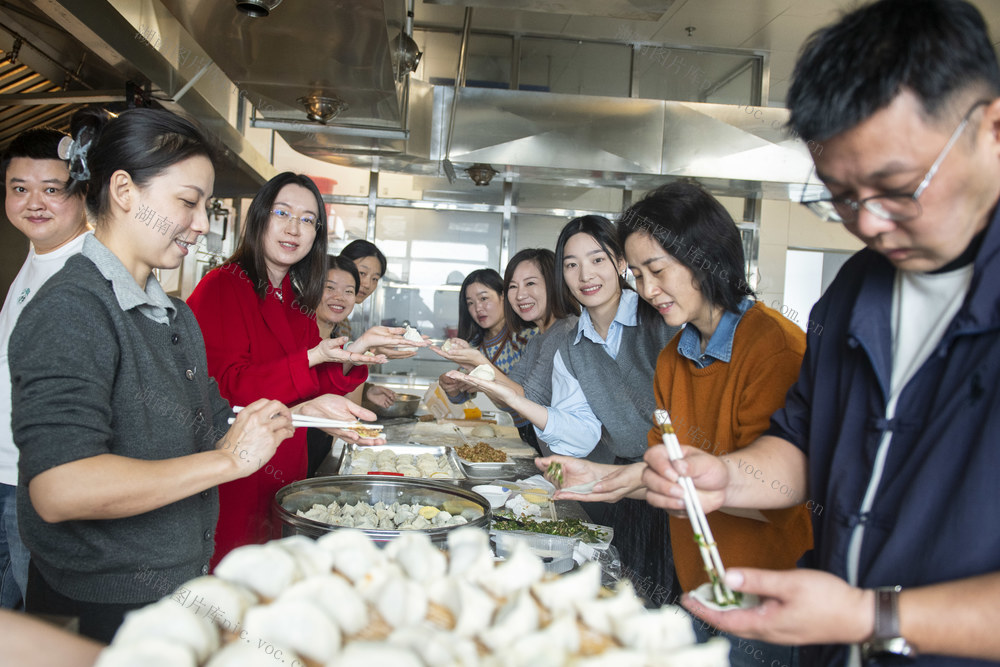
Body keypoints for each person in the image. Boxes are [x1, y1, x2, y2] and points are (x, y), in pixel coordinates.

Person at [643, 1, 1000, 665]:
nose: (868, 224)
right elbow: (803, 444)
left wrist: (872, 616)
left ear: (991, 129)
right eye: (840, 196)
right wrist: (726, 477)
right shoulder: (857, 291)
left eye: (897, 187)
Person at [8, 108, 377, 642]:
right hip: (104, 605)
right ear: (124, 191)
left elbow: (211, 420)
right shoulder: (72, 308)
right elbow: (61, 489)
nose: (203, 223)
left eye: (206, 206)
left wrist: (300, 412)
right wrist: (229, 460)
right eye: (188, 202)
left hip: (178, 586)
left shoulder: (173, 315)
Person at [537, 183, 813, 667]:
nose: (646, 290)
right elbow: (669, 477)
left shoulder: (775, 348)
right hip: (699, 587)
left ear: (704, 257)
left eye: (657, 271)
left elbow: (777, 495)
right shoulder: (674, 358)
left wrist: (645, 478)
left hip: (768, 597)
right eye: (638, 274)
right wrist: (603, 477)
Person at [187, 172, 418, 565]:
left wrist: (357, 350)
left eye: (308, 220)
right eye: (282, 213)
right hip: (235, 474)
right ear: (260, 217)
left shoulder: (293, 300)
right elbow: (224, 389)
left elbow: (313, 384)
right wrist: (312, 357)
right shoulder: (222, 285)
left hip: (285, 472)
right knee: (235, 578)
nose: (294, 228)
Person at [454, 216, 681, 598]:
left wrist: (507, 388)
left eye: (597, 260)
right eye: (572, 264)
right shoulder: (573, 343)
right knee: (632, 597)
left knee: (685, 603)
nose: (585, 275)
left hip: (683, 480)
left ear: (621, 263)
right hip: (624, 485)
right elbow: (579, 433)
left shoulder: (660, 319)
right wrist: (516, 400)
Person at [0, 128, 91, 611]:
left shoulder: (86, 270)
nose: (33, 202)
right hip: (7, 473)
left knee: (39, 619)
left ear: (82, 194)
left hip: (36, 485)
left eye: (51, 189)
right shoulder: (38, 257)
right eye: (20, 188)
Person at [439, 249, 579, 453]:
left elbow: (527, 401)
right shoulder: (538, 340)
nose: (520, 295)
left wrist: (478, 362)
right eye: (513, 286)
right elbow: (511, 398)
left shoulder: (559, 332)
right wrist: (462, 378)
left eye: (530, 283)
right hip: (545, 442)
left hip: (568, 449)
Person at [435, 268, 536, 432]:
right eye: (470, 303)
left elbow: (532, 395)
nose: (478, 308)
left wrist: (485, 379)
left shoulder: (528, 337)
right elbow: (461, 396)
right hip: (519, 430)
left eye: (484, 298)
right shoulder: (476, 345)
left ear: (503, 296)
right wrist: (451, 387)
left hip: (540, 426)